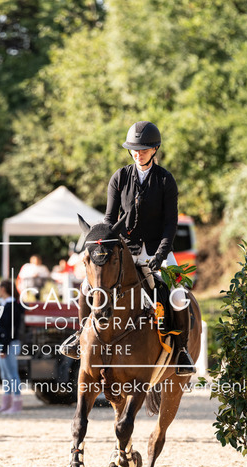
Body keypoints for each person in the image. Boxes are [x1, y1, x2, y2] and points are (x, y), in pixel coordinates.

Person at [60, 120, 195, 375]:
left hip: (157, 250)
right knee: (88, 287)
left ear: (154, 149)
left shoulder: (165, 180)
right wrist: (104, 250)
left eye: (143, 149)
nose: (138, 153)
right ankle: (80, 337)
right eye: (134, 149)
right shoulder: (119, 178)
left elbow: (170, 223)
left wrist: (161, 254)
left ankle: (181, 351)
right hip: (125, 251)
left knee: (178, 296)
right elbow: (110, 219)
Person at [0, 279, 24, 414]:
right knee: (5, 374)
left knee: (12, 374)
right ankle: (6, 404)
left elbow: (9, 329)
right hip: (5, 343)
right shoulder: (6, 304)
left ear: (3, 289)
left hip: (9, 344)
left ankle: (16, 403)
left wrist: (3, 347)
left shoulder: (11, 306)